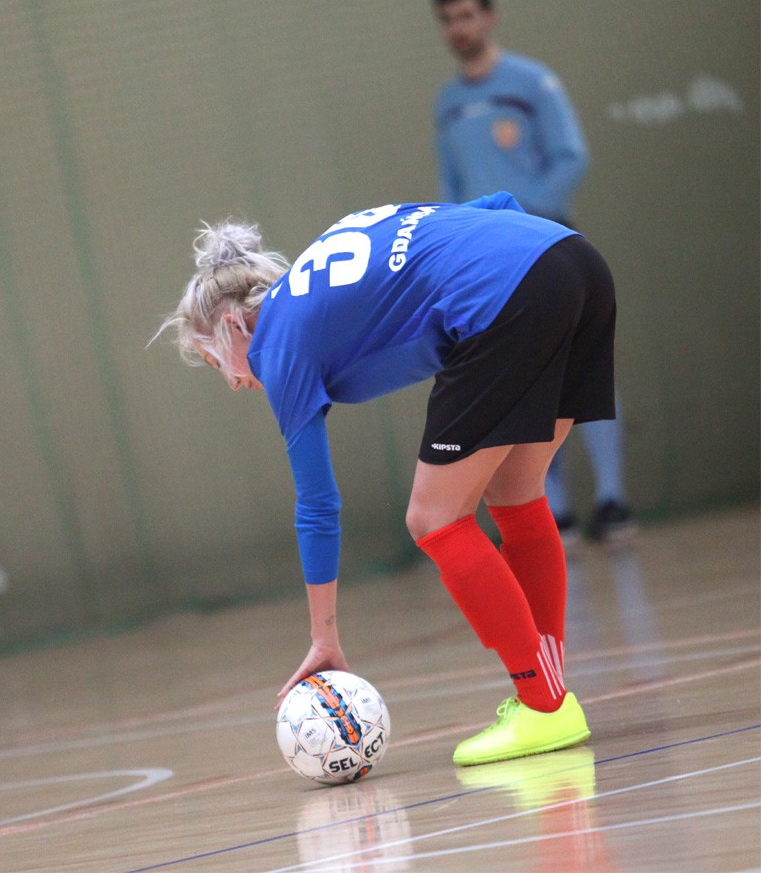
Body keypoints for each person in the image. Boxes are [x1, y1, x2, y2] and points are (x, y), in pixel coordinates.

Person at [156, 193, 611, 765]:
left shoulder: (277, 343)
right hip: (572, 262)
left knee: (434, 519)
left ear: (231, 324)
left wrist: (324, 637)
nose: (231, 381)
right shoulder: (324, 262)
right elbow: (498, 204)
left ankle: (543, 706)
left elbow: (318, 505)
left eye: (214, 360)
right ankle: (549, 698)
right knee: (515, 494)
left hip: (506, 297)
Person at [432, 0, 635, 544]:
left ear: (489, 17)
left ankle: (613, 499)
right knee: (524, 384)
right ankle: (555, 510)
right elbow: (452, 186)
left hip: (546, 248)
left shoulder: (532, 82)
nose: (458, 28)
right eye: (449, 19)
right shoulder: (447, 104)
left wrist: (526, 218)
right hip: (489, 266)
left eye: (467, 15)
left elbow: (571, 156)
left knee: (583, 371)